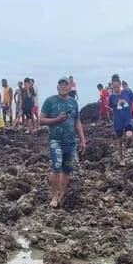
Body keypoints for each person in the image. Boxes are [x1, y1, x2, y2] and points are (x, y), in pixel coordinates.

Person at [40, 77, 86, 208]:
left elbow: (77, 121)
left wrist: (82, 139)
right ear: (57, 87)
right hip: (56, 140)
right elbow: (41, 120)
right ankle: (54, 196)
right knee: (57, 167)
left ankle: (62, 195)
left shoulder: (73, 102)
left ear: (69, 87)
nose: (63, 87)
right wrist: (57, 119)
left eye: (66, 85)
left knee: (67, 170)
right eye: (61, 85)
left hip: (70, 142)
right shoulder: (50, 101)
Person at [108, 74, 133, 166]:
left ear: (120, 85)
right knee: (119, 141)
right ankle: (121, 159)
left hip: (127, 119)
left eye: (117, 86)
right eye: (114, 87)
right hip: (118, 121)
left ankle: (125, 149)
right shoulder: (111, 97)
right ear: (112, 86)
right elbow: (110, 107)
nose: (116, 88)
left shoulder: (126, 92)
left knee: (129, 136)